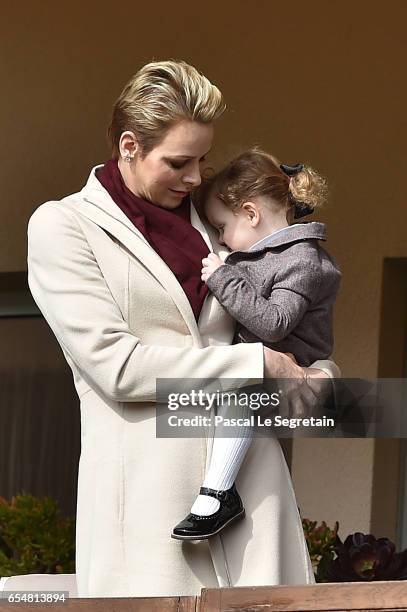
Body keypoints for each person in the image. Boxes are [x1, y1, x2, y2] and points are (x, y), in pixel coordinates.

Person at [27, 60, 338, 598]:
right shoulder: (62, 226)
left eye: (202, 160)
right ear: (129, 146)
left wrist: (319, 374)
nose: (196, 178)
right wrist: (256, 363)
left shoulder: (222, 225)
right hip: (145, 507)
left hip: (254, 493)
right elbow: (117, 368)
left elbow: (287, 316)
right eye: (178, 162)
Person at [172, 148, 341, 541]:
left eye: (221, 226)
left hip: (291, 366)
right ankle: (217, 495)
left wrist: (223, 277)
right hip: (261, 367)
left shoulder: (302, 260)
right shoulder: (262, 252)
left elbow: (274, 324)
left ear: (250, 214)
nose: (220, 239)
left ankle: (217, 495)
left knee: (241, 400)